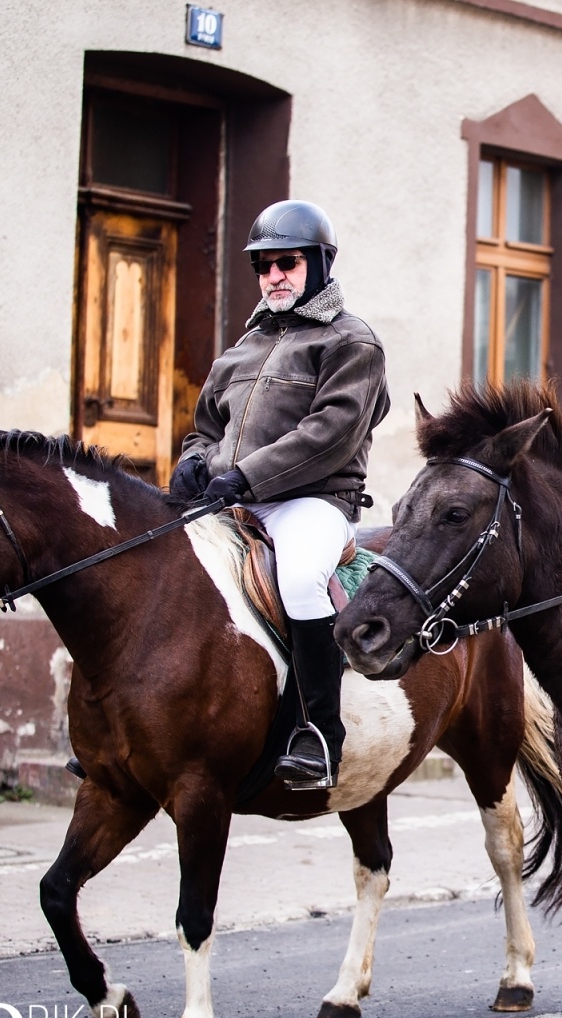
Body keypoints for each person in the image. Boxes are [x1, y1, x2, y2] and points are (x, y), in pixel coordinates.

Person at [170, 199, 392, 786]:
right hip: (232, 498)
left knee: (298, 577)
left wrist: (244, 478)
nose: (274, 277)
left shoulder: (353, 342)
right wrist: (193, 465)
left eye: (287, 263)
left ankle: (319, 734)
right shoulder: (240, 349)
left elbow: (329, 434)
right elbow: (204, 429)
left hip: (313, 502)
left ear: (320, 264)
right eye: (264, 266)